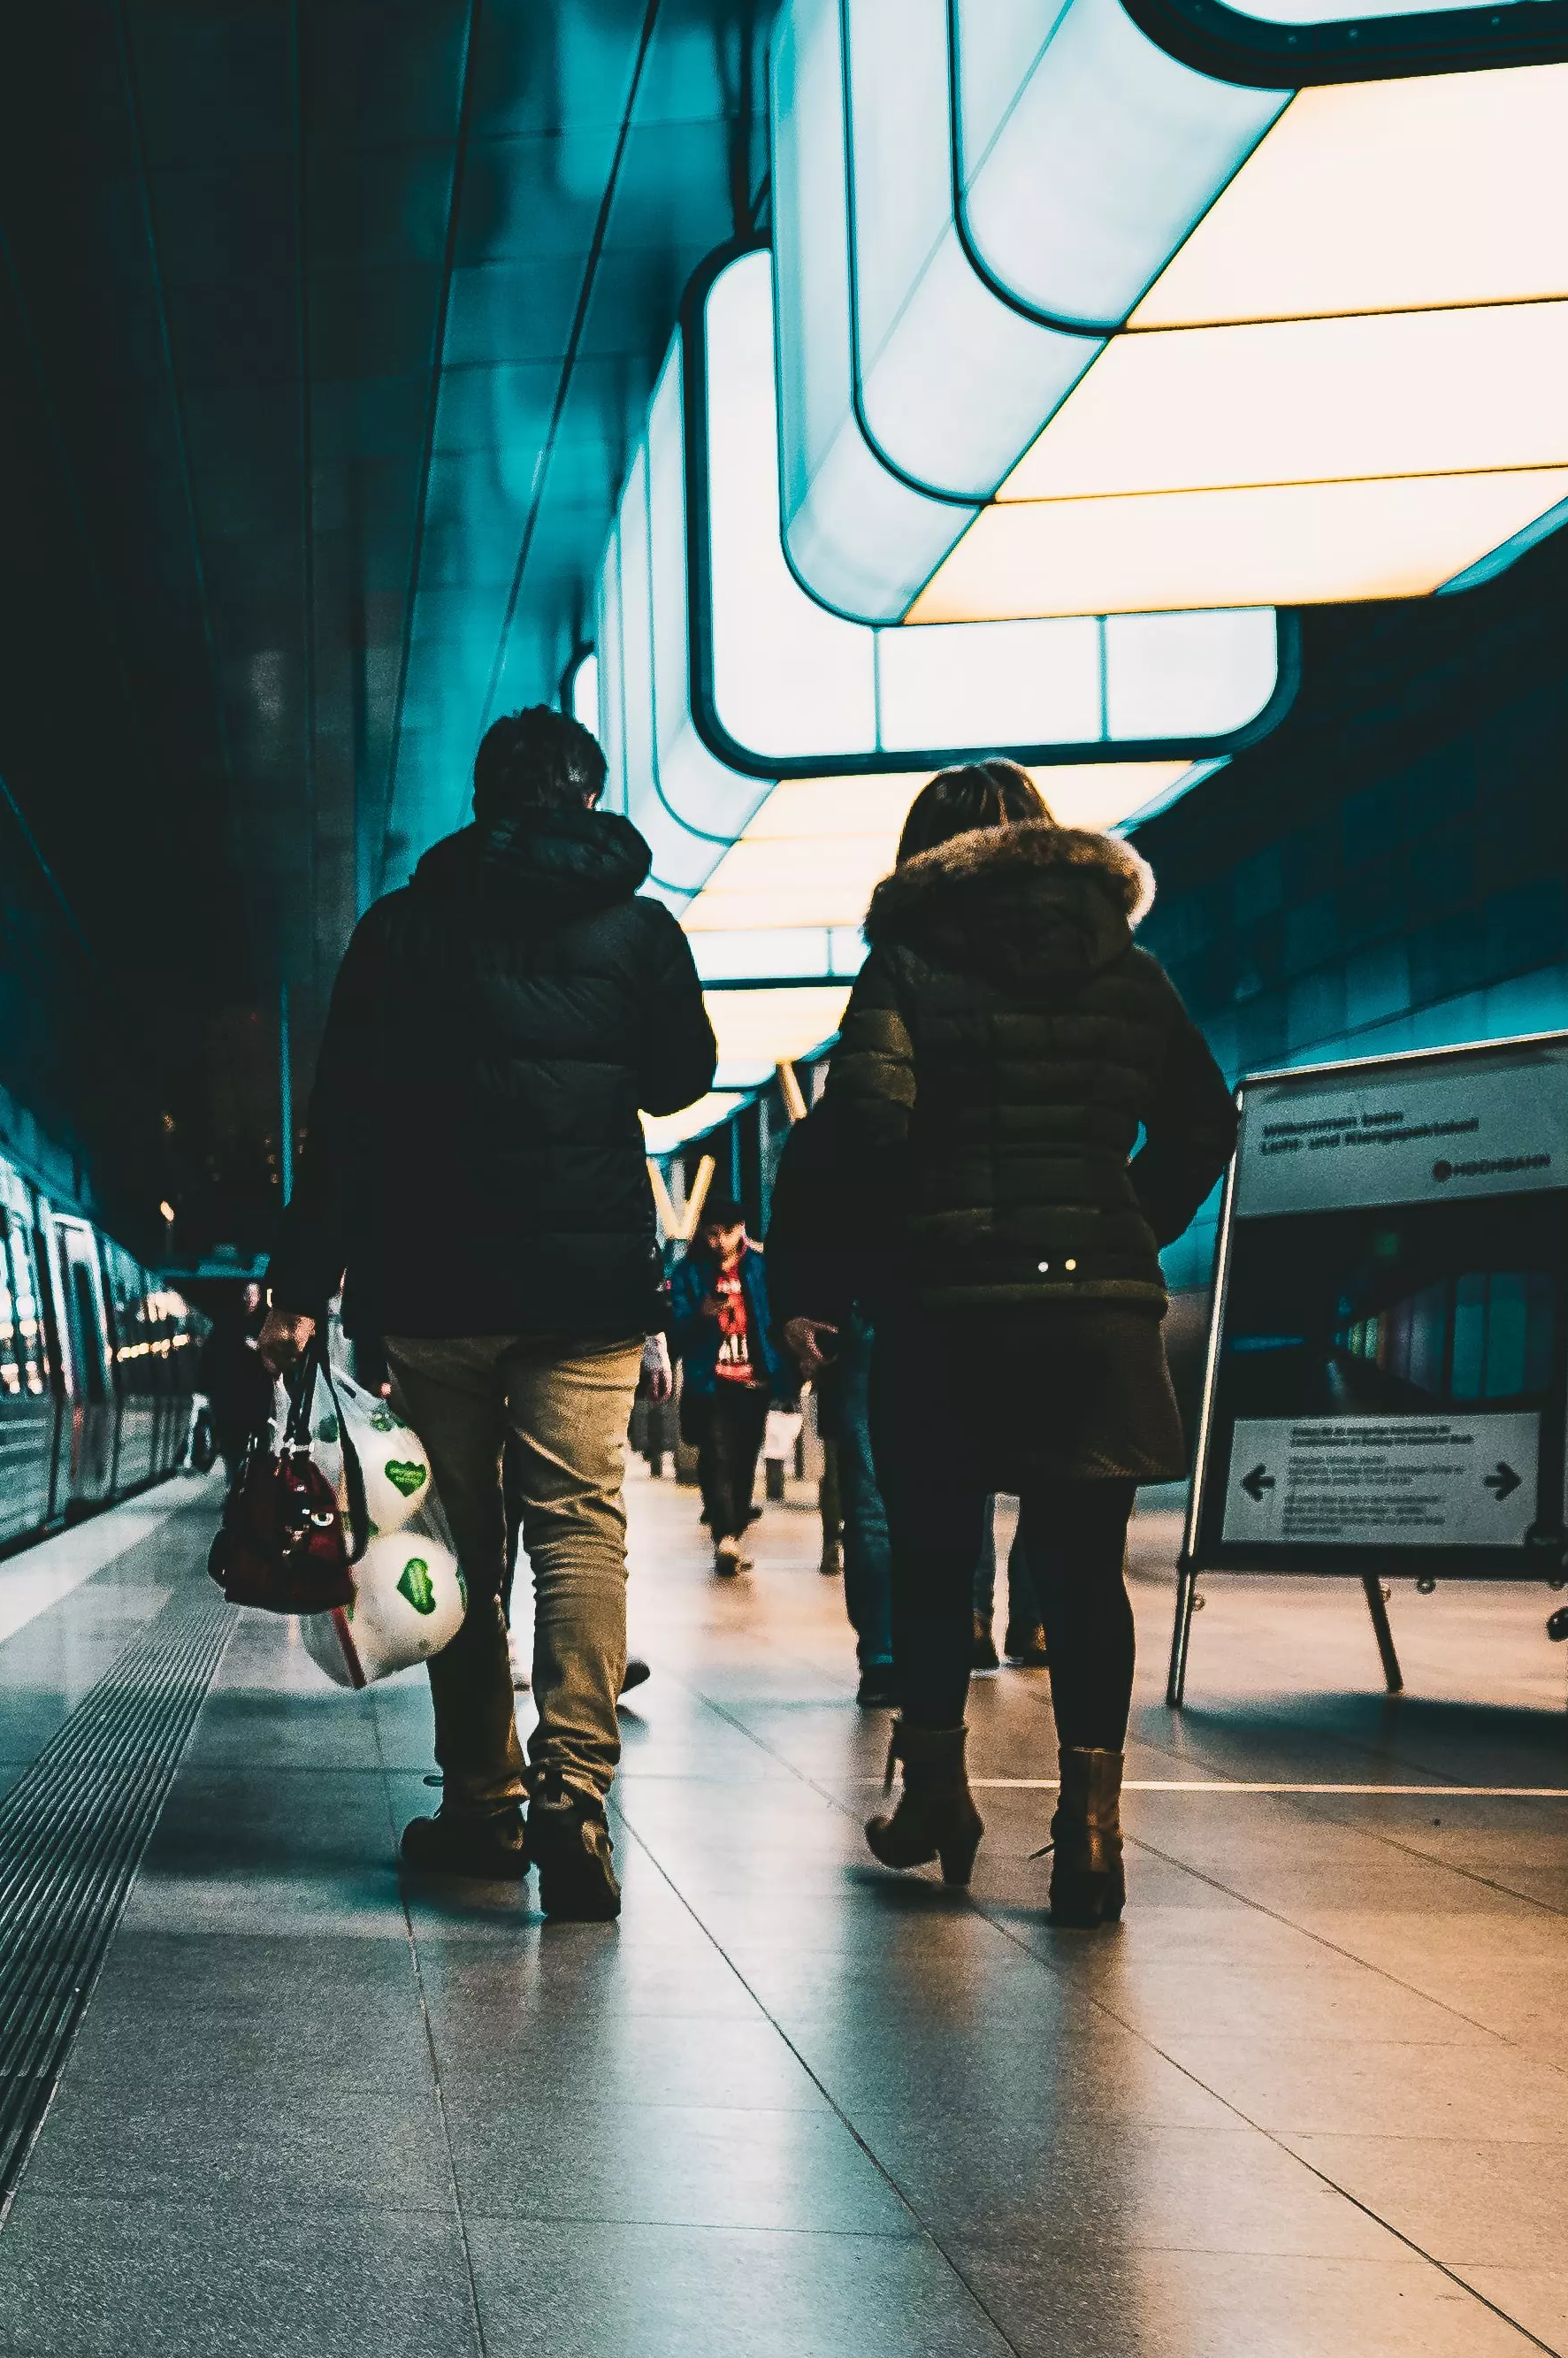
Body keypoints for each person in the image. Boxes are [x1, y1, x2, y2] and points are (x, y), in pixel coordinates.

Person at [264, 706, 715, 1920]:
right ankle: (576, 1791)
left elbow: (343, 1126)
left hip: (439, 1284)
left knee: (459, 1549)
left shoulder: (404, 933)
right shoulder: (639, 932)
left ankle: (483, 1806)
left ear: (483, 798)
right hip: (586, 1293)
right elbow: (679, 1077)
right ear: (591, 793)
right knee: (581, 1524)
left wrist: (301, 1288)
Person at [776, 763, 1232, 1921]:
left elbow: (868, 1123)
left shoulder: (909, 968)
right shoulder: (1126, 969)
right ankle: (1089, 1836)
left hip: (950, 1316)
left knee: (936, 1557)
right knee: (1084, 1572)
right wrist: (1123, 1220)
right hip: (1096, 1319)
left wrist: (861, 1257)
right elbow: (1204, 1119)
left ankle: (940, 1798)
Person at [670, 1198, 777, 1574]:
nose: (720, 1241)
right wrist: (700, 1315)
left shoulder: (761, 1269)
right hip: (711, 1378)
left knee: (746, 1456)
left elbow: (772, 1318)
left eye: (727, 1232)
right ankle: (725, 1536)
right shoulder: (690, 1273)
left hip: (754, 1379)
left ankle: (735, 1530)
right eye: (712, 1233)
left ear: (741, 1229)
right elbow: (675, 1329)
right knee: (716, 1453)